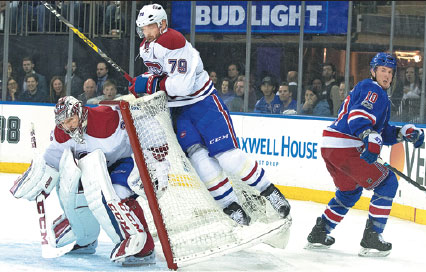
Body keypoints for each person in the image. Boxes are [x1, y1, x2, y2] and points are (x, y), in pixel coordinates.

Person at [129, 3, 290, 225]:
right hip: (178, 111)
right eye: (142, 28)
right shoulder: (146, 47)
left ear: (162, 24)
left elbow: (181, 86)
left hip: (203, 104)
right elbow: (160, 74)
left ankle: (269, 191)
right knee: (199, 159)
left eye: (149, 27)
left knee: (227, 156)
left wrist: (149, 84)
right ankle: (230, 205)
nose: (145, 33)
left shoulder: (173, 42)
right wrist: (145, 80)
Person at [10, 96, 157, 266]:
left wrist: (155, 156)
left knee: (117, 194)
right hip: (99, 167)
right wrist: (41, 183)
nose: (68, 126)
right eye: (64, 122)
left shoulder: (104, 117)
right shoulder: (62, 133)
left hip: (126, 159)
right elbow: (52, 161)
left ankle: (144, 249)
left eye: (71, 120)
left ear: (80, 113)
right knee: (74, 188)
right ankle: (85, 235)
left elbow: (139, 119)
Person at [306, 52, 425, 257]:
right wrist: (367, 135)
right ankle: (372, 236)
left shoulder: (376, 94)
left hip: (331, 144)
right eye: (382, 71)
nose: (387, 75)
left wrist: (402, 133)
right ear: (373, 71)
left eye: (390, 72)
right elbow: (358, 117)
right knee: (387, 182)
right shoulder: (373, 89)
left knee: (349, 191)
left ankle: (320, 231)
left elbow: (380, 130)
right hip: (346, 145)